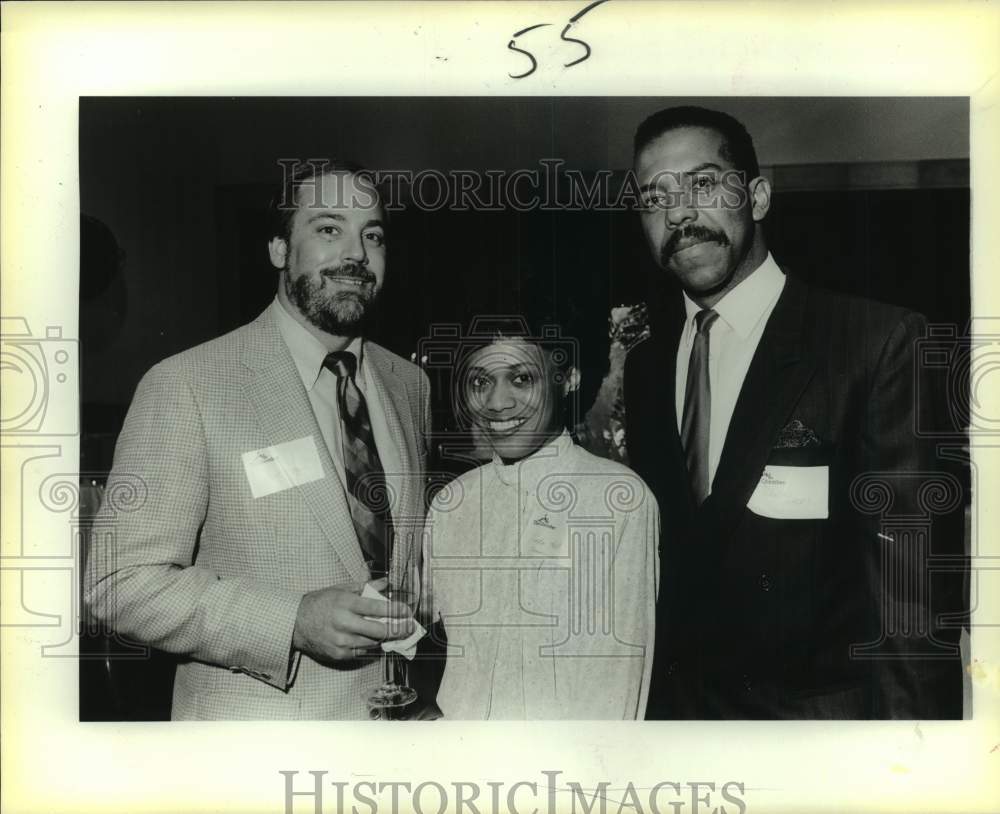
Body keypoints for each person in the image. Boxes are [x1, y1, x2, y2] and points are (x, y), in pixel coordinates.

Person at [624, 106, 964, 719]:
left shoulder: (873, 342)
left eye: (702, 183)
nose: (678, 214)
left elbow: (912, 600)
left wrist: (917, 772)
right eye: (654, 197)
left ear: (756, 196)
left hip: (819, 740)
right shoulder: (646, 369)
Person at [85, 160, 430, 720]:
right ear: (277, 249)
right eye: (327, 229)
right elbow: (117, 583)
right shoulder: (188, 385)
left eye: (373, 235)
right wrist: (290, 621)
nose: (357, 254)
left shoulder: (408, 384)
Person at [422, 318, 659, 719]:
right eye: (481, 382)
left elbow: (617, 684)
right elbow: (432, 640)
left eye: (521, 379)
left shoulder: (617, 499)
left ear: (567, 379)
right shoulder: (451, 502)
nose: (497, 402)